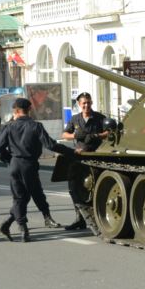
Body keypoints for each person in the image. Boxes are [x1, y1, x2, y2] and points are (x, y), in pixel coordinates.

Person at [0, 98, 77, 242]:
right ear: (29, 110)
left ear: (16, 111)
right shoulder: (36, 126)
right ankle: (38, 221)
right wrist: (72, 152)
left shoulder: (9, 127)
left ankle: (22, 229)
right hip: (29, 164)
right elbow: (51, 145)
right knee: (36, 192)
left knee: (19, 197)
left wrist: (9, 160)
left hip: (14, 164)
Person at [0, 115, 62, 229]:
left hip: (21, 165)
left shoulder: (14, 126)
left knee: (25, 196)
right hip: (25, 164)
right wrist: (9, 159)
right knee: (29, 195)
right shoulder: (14, 126)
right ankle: (24, 223)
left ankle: (19, 225)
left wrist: (10, 160)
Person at [61, 92, 110, 231]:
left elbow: (110, 131)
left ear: (92, 103)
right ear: (79, 104)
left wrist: (97, 135)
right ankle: (80, 219)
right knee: (74, 188)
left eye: (88, 102)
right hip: (78, 157)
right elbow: (64, 134)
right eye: (84, 103)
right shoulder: (75, 119)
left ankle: (100, 218)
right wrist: (75, 135)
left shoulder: (99, 118)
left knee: (94, 189)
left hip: (95, 157)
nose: (86, 105)